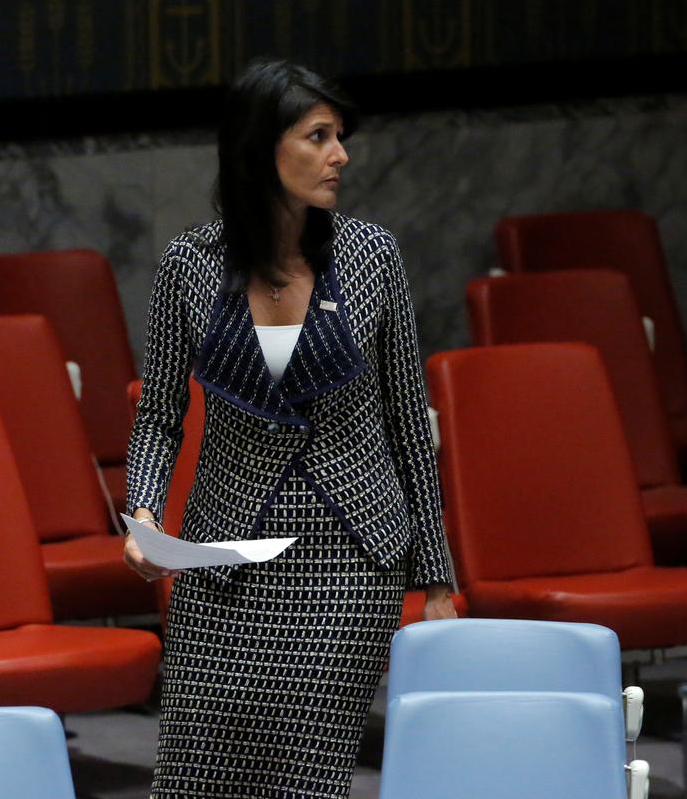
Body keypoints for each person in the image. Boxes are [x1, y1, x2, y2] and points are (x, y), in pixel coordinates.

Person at [123, 58, 458, 797]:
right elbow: (158, 418)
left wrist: (436, 579)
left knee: (301, 778)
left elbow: (408, 424)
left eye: (340, 136)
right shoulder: (189, 265)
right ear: (261, 147)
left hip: (348, 557)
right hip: (224, 559)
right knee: (193, 776)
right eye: (319, 136)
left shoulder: (372, 257)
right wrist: (143, 512)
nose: (341, 155)